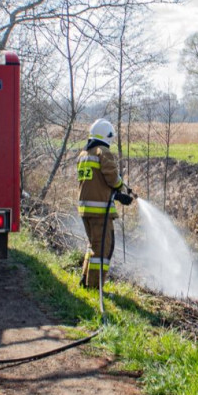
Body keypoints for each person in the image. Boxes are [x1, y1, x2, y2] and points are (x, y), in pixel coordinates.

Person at [76, 119, 131, 289]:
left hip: (86, 210)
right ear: (106, 136)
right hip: (100, 212)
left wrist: (115, 195)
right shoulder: (103, 152)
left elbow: (96, 183)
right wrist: (122, 188)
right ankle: (94, 287)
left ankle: (85, 279)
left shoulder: (84, 154)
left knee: (94, 247)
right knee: (103, 251)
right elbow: (112, 178)